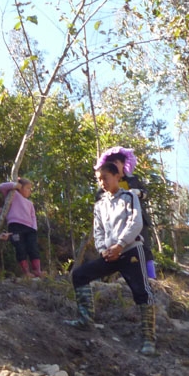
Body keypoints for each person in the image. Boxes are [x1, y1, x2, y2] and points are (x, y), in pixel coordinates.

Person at [64, 147, 157, 355]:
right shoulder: (99, 205)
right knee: (79, 275)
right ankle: (85, 319)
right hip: (110, 255)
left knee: (142, 292)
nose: (102, 183)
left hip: (131, 251)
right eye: (99, 179)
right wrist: (103, 249)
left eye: (105, 178)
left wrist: (120, 244)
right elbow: (98, 230)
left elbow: (136, 223)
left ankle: (149, 339)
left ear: (117, 176)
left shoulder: (130, 197)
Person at [0, 177, 42, 278]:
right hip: (15, 227)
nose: (30, 191)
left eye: (30, 189)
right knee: (20, 248)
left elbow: (33, 217)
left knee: (33, 248)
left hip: (29, 229)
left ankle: (37, 270)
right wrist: (15, 185)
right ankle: (26, 272)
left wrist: (34, 228)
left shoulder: (30, 203)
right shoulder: (13, 194)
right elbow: (1, 187)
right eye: (27, 188)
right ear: (20, 188)